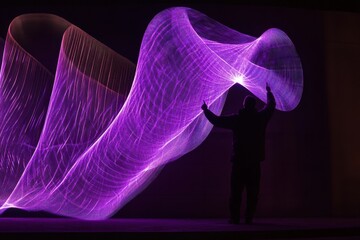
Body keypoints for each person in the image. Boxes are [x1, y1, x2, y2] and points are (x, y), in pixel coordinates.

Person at [201, 83, 276, 224]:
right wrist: (268, 92)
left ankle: (235, 218)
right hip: (254, 162)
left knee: (236, 191)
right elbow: (271, 106)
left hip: (239, 161)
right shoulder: (260, 119)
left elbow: (217, 121)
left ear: (244, 105)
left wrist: (206, 110)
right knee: (252, 192)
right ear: (254, 106)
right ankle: (249, 218)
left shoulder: (238, 119)